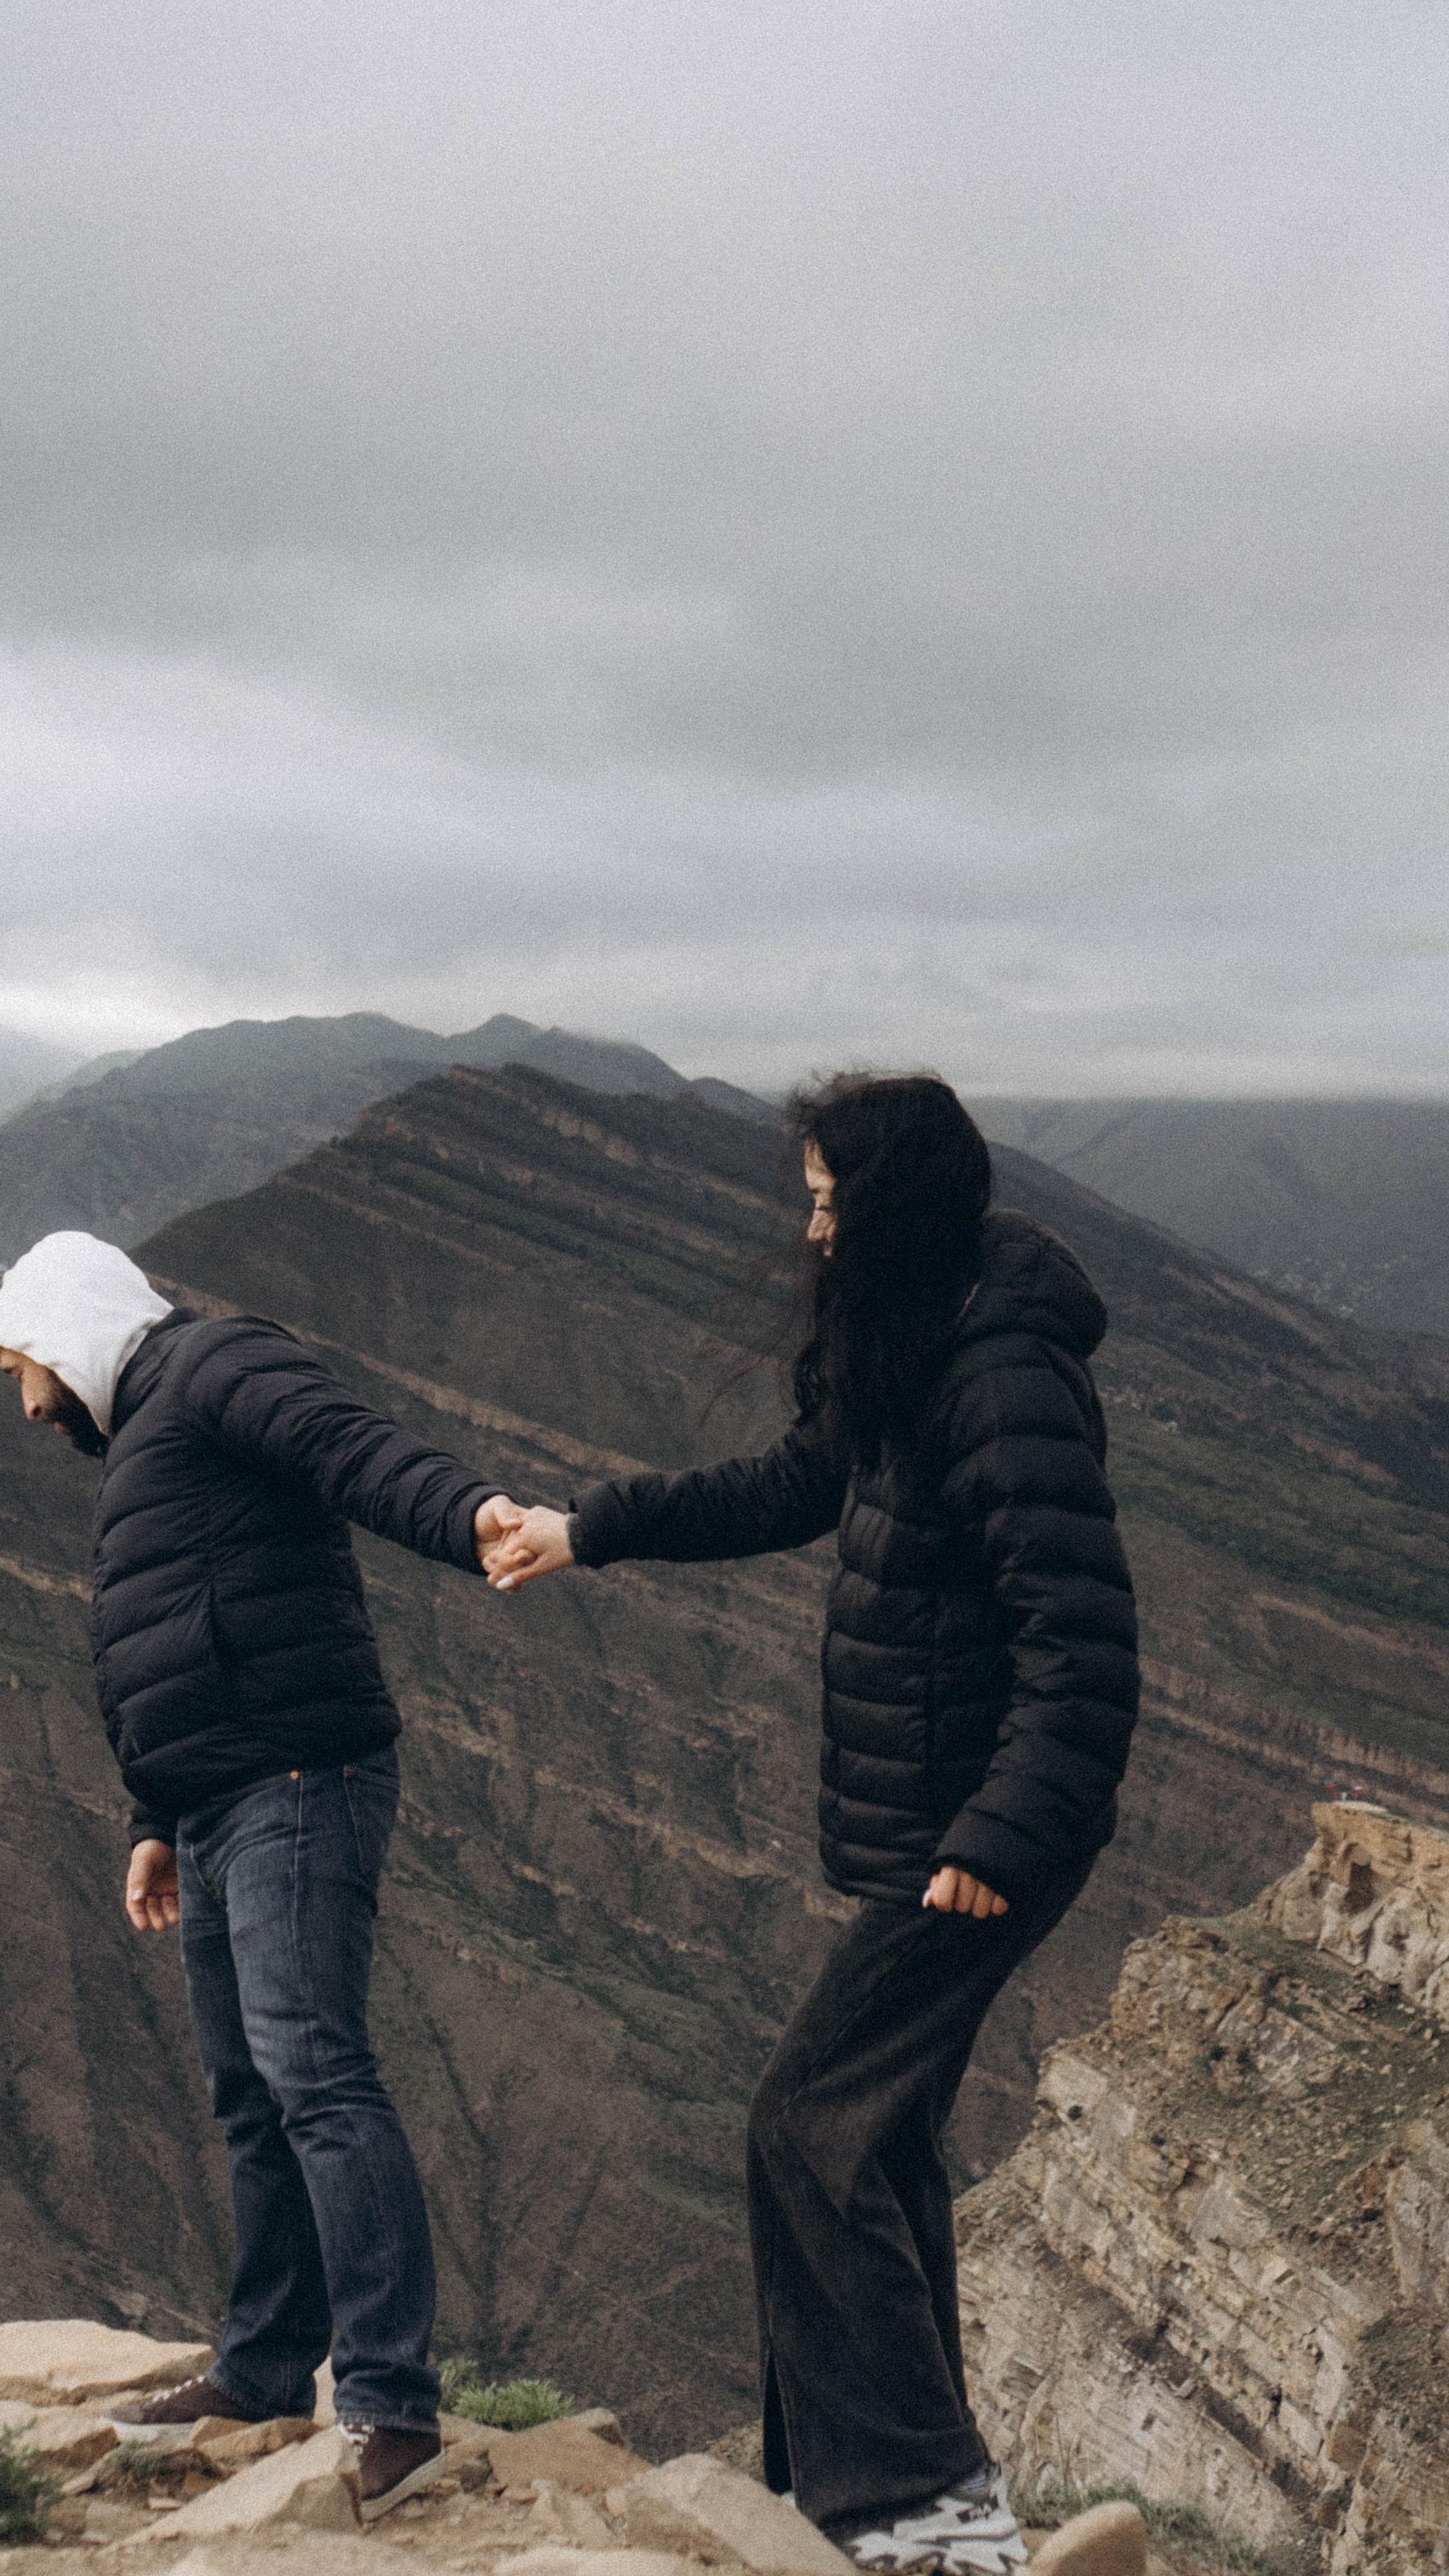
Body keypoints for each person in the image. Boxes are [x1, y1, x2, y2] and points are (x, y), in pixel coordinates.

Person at [486, 1074, 1138, 2575]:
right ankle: (894, 2498)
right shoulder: (913, 1343)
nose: (811, 1225)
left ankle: (918, 2510)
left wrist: (994, 1834)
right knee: (878, 2135)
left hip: (983, 1834)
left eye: (830, 1200)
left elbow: (1082, 1649)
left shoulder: (999, 1376)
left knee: (806, 2124)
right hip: (938, 1822)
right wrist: (589, 1530)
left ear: (889, 1208)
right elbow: (794, 1480)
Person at [0, 1231, 522, 2518]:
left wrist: (470, 1514)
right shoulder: (150, 1437)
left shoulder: (215, 1365)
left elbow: (353, 1447)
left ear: (64, 1330)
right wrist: (151, 1818)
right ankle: (266, 2369)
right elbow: (168, 1646)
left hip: (297, 1785)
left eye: (20, 1367)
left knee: (319, 2079)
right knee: (249, 2097)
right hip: (219, 1804)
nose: (23, 1400)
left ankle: (389, 2402)